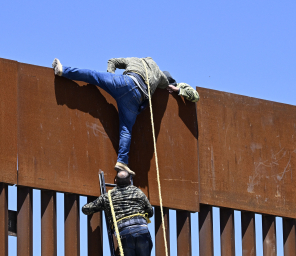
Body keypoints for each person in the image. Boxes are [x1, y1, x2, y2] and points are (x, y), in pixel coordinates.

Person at [52, 57, 198, 175]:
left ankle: (63, 70)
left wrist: (110, 76)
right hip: (137, 98)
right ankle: (122, 161)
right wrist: (176, 88)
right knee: (126, 129)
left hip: (125, 82)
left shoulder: (134, 60)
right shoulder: (159, 74)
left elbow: (112, 61)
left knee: (93, 75)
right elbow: (168, 86)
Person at [81, 170, 154, 256]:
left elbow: (86, 209)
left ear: (115, 182)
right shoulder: (138, 192)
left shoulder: (109, 196)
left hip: (124, 233)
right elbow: (150, 211)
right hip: (142, 231)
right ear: (130, 181)